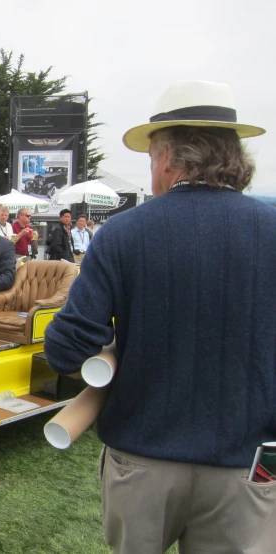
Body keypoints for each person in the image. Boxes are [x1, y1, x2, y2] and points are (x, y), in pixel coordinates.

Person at [44, 80, 276, 554]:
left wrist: (113, 352)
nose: (151, 171)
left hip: (141, 459)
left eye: (150, 159)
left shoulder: (123, 233)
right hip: (249, 466)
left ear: (169, 158)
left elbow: (66, 350)